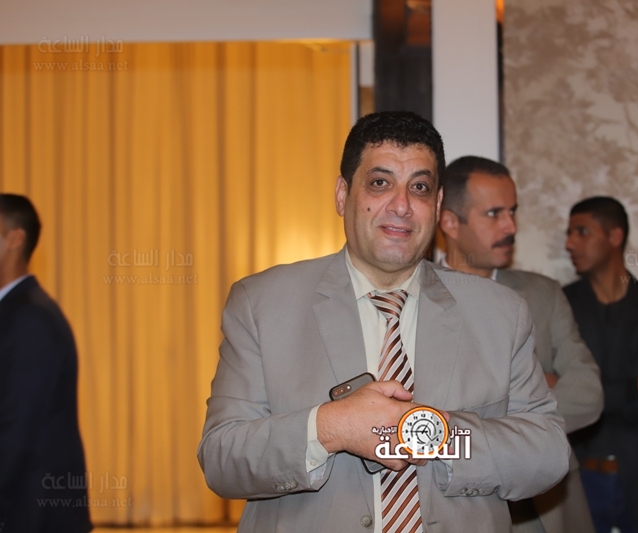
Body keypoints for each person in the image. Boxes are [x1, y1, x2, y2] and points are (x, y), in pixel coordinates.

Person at [198, 111, 570, 532]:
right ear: (343, 195)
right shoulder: (261, 304)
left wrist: (435, 434)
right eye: (380, 183)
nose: (402, 205)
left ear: (437, 205)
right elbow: (222, 458)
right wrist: (331, 428)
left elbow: (546, 453)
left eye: (419, 187)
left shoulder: (501, 314)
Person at [438, 155, 601, 533]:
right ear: (449, 222)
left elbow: (589, 393)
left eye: (512, 211)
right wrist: (530, 398)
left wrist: (472, 419)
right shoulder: (409, 298)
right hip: (451, 504)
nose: (511, 226)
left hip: (546, 507)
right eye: (493, 214)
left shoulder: (543, 294)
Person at [563, 196, 638, 533]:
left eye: (582, 232)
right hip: (575, 483)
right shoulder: (561, 305)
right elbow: (552, 395)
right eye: (569, 233)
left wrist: (584, 394)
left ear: (615, 236)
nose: (570, 243)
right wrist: (634, 390)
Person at [0, 194, 92, 533]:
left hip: (31, 515)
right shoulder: (16, 311)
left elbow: (14, 429)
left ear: (15, 238)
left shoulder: (30, 318)